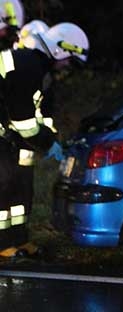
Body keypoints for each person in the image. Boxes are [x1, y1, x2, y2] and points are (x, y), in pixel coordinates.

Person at [0, 22, 89, 258]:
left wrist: (49, 137)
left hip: (14, 140)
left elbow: (41, 113)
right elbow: (23, 120)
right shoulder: (26, 66)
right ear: (60, 49)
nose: (67, 67)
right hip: (6, 136)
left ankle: (18, 240)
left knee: (21, 188)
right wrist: (48, 145)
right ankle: (2, 245)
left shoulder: (42, 73)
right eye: (69, 60)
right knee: (4, 187)